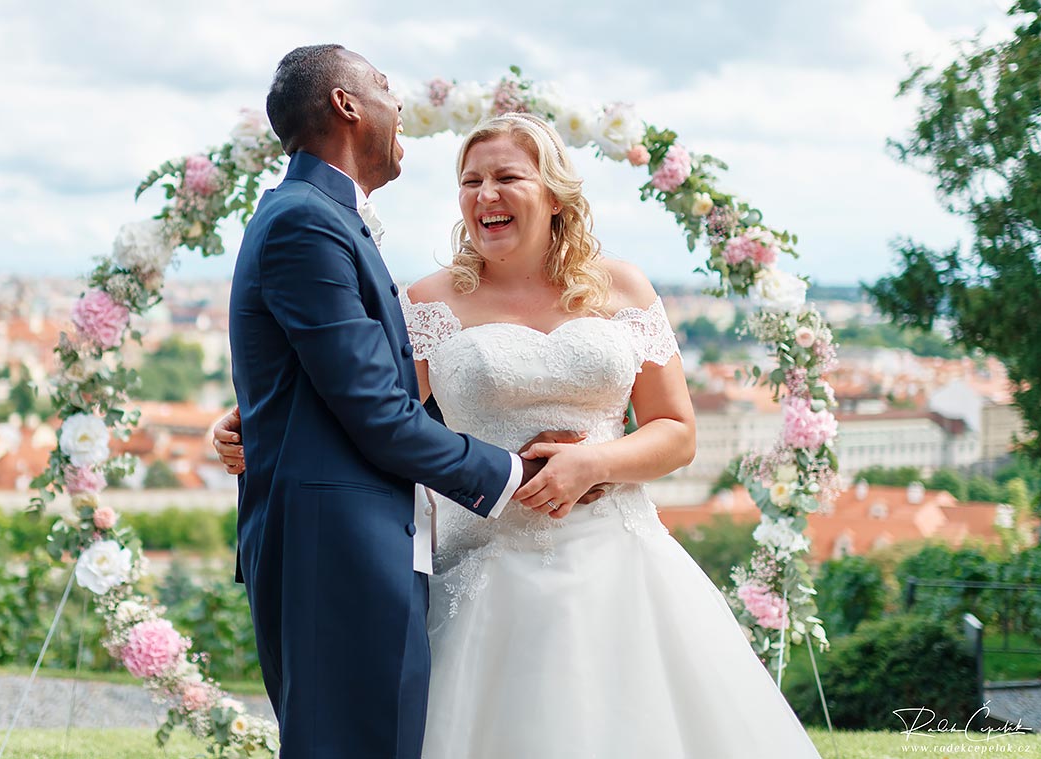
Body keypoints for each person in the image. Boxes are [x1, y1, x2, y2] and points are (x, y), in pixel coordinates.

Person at [219, 111, 822, 756]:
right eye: (470, 181)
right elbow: (364, 410)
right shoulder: (426, 301)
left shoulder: (624, 287)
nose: (485, 195)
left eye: (507, 176)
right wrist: (251, 423)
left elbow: (676, 431)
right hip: (484, 565)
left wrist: (596, 464)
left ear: (555, 194)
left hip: (621, 559)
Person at [227, 46, 592, 759]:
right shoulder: (307, 221)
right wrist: (521, 473)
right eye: (386, 88)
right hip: (337, 551)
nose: (401, 112)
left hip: (352, 542)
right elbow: (378, 413)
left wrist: (256, 418)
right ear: (346, 104)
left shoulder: (321, 216)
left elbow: (332, 383)